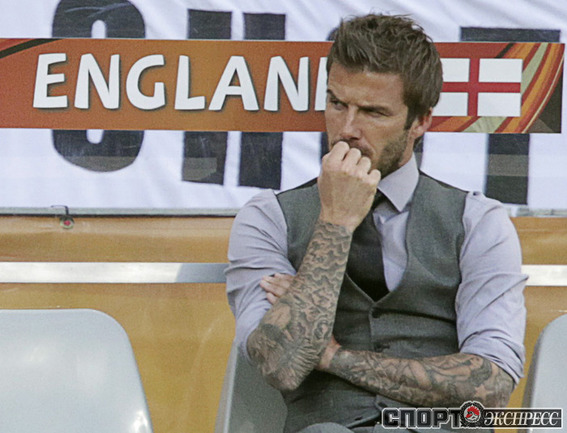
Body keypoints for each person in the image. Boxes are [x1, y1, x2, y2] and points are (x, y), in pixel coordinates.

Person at [225, 13, 527, 433]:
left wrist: (335, 358)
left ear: (420, 121)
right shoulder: (268, 217)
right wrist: (334, 222)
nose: (347, 129)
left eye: (373, 112)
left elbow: (491, 387)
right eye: (337, 104)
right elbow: (282, 365)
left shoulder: (478, 223)